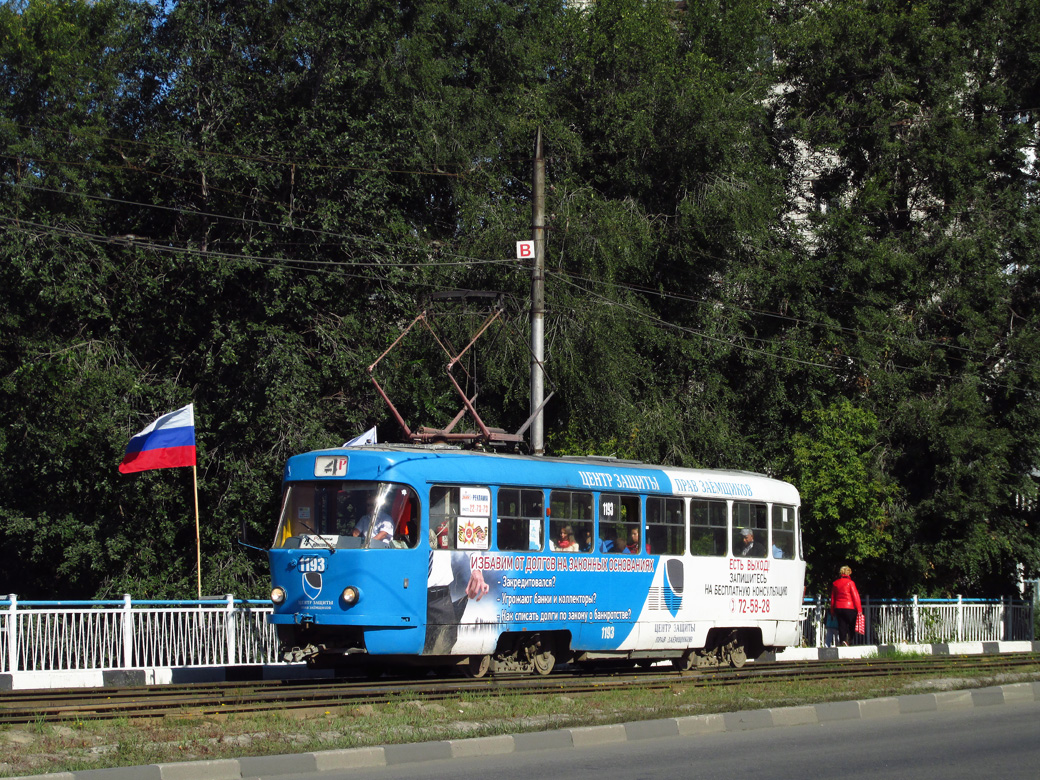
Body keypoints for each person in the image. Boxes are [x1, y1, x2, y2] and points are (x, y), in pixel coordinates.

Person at [829, 565, 863, 647]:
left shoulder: (835, 583)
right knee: (851, 624)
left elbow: (833, 597)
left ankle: (842, 641)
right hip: (849, 607)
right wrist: (859, 610)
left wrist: (832, 610)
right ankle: (850, 640)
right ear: (848, 573)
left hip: (838, 607)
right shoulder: (850, 583)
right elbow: (856, 596)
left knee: (842, 624)